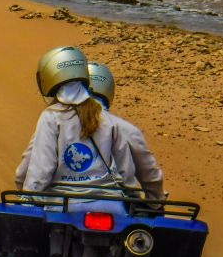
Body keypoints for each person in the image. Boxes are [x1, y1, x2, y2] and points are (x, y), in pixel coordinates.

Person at [17, 46, 138, 199]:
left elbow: (39, 169)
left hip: (62, 205)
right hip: (111, 203)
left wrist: (27, 196)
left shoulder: (52, 117)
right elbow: (127, 172)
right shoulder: (110, 121)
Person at [87, 62, 165, 200]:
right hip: (120, 203)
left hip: (60, 204)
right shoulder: (126, 129)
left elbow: (38, 164)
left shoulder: (55, 123)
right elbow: (150, 173)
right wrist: (155, 202)